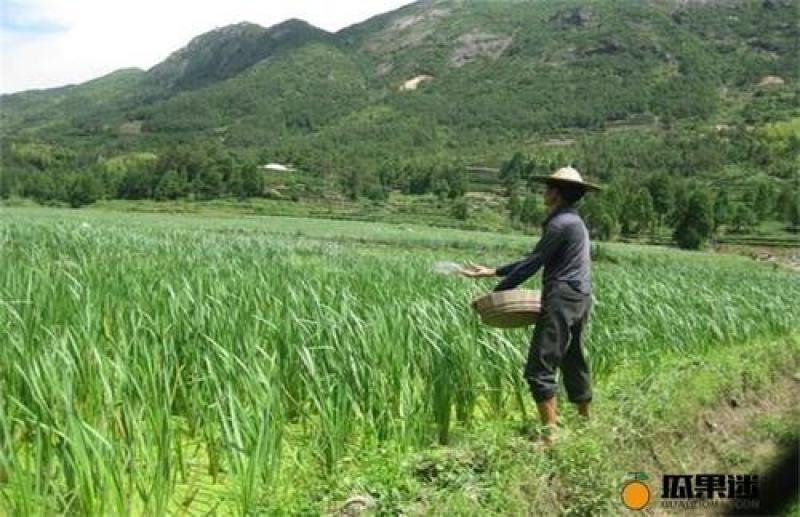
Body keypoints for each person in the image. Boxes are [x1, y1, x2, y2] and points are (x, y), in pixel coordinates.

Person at [462, 166, 601, 444]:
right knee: (573, 359)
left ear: (557, 192)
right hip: (580, 296)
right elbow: (537, 258)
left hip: (561, 297)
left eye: (548, 188)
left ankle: (550, 436)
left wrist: (495, 294)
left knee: (539, 367)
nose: (544, 192)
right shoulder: (574, 222)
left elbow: (533, 262)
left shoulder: (559, 223)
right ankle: (586, 423)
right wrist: (492, 271)